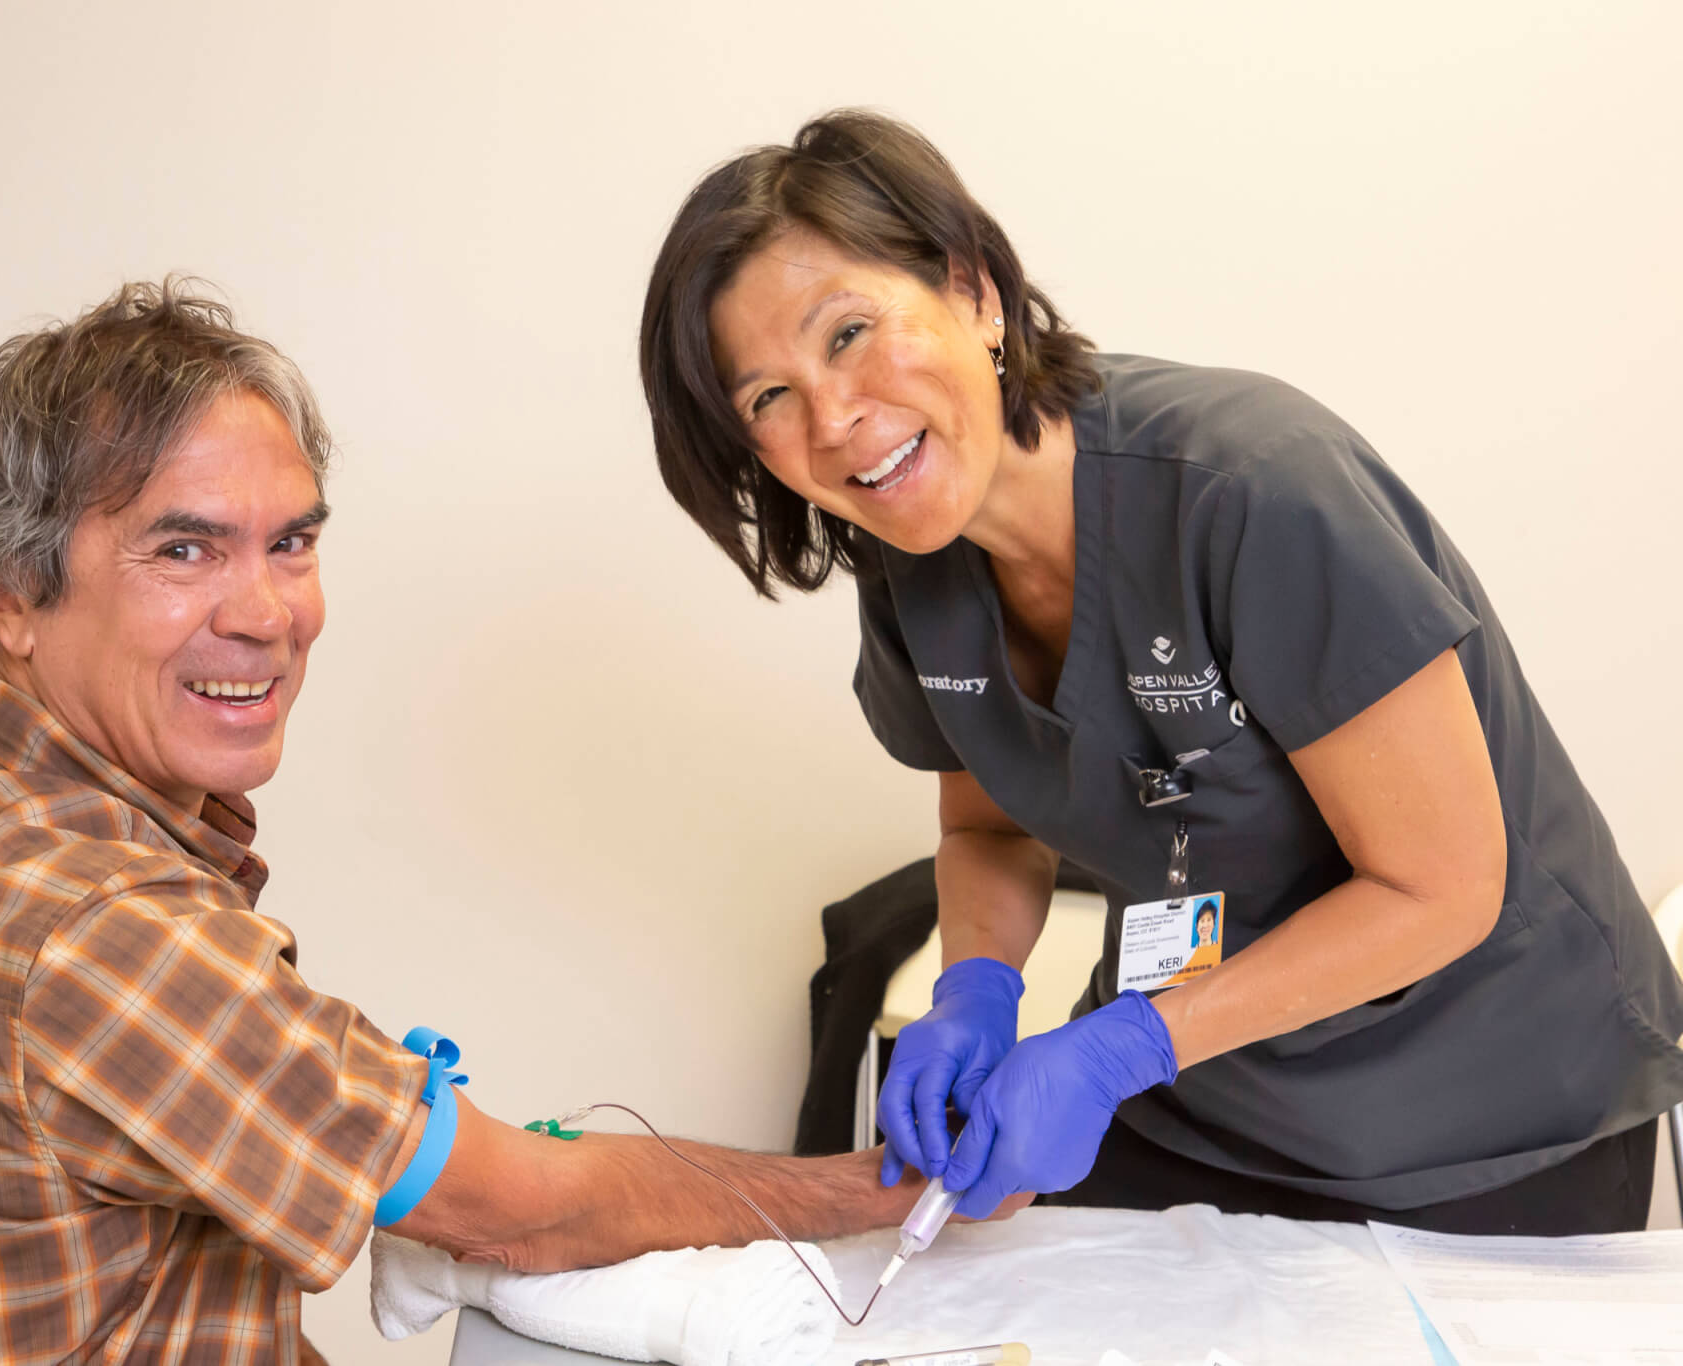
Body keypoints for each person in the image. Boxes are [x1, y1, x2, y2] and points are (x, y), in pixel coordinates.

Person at [0, 280, 953, 1366]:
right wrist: (879, 1184)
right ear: (7, 592)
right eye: (183, 548)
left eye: (290, 541)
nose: (264, 613)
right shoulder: (99, 933)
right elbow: (528, 1210)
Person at [639, 111, 1683, 1236]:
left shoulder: (1253, 491)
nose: (832, 419)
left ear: (975, 291)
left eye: (845, 333)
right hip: (1194, 1097)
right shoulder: (911, 564)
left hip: (1481, 1118)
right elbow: (990, 829)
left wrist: (1118, 1048)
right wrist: (975, 990)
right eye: (766, 398)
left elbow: (1441, 886)